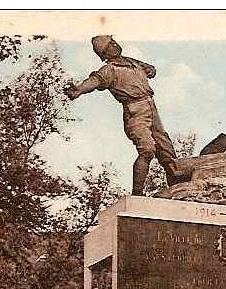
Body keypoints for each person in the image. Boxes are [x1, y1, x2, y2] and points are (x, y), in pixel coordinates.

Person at [64, 36, 178, 196]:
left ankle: (178, 189)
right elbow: (94, 81)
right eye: (110, 44)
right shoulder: (109, 69)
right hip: (135, 111)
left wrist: (151, 70)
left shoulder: (131, 62)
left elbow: (150, 69)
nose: (115, 44)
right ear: (104, 53)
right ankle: (137, 195)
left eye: (113, 41)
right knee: (147, 150)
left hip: (151, 107)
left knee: (167, 152)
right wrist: (78, 90)